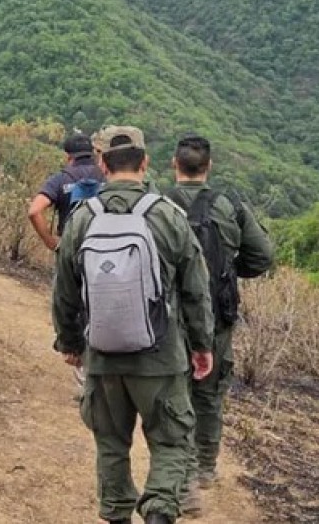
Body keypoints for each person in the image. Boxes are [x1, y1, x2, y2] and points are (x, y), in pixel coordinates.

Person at [52, 126, 214, 524]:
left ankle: (118, 516)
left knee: (110, 445)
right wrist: (201, 345)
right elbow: (196, 290)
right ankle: (159, 513)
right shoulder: (168, 216)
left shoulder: (82, 218)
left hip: (103, 357)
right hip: (160, 357)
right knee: (171, 442)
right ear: (145, 165)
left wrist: (71, 342)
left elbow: (64, 292)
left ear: (103, 165)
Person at [167, 134, 274, 511]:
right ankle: (204, 467)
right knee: (210, 393)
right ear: (209, 167)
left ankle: (176, 472)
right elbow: (262, 257)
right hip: (217, 315)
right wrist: (228, 271)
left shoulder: (159, 204)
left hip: (168, 315)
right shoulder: (230, 205)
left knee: (172, 393)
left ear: (173, 165)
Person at [28, 130, 103, 252]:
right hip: (102, 248)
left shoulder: (60, 179)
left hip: (70, 247)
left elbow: (34, 211)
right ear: (92, 154)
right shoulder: (107, 177)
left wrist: (52, 244)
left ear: (68, 157)